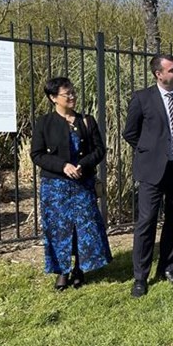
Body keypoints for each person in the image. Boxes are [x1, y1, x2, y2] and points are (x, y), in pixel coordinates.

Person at [123, 54, 173, 298]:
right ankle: (140, 277)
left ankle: (167, 267)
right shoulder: (142, 98)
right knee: (146, 224)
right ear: (159, 74)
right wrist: (151, 151)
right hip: (153, 171)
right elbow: (130, 133)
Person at [31, 77, 112, 291]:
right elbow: (37, 154)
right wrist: (63, 166)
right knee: (58, 230)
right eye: (67, 94)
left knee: (84, 228)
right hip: (55, 186)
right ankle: (61, 272)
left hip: (82, 184)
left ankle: (79, 268)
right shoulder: (44, 123)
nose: (72, 96)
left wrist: (82, 166)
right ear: (53, 98)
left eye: (73, 92)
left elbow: (99, 150)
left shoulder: (87, 121)